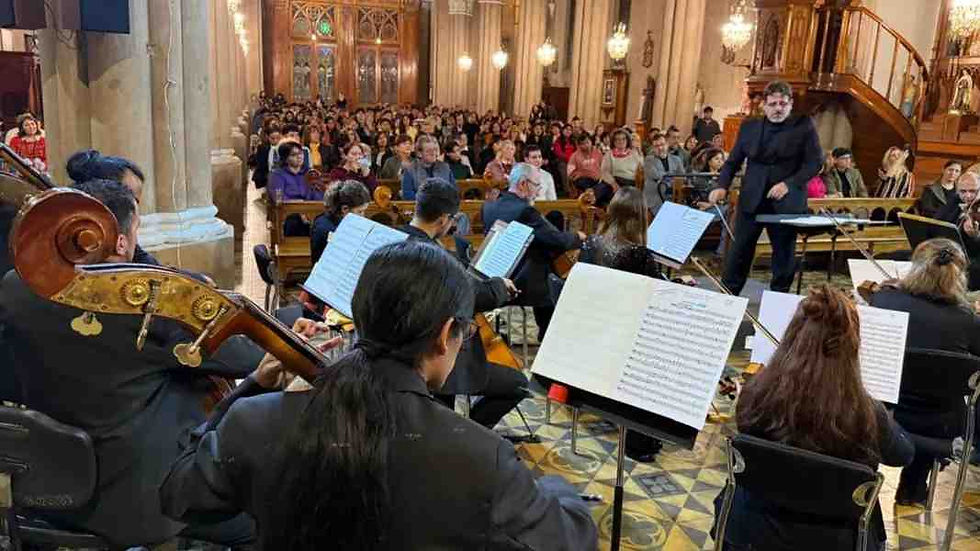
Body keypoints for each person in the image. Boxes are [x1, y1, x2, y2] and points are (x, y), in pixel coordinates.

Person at [160, 240, 598, 549]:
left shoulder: (254, 421)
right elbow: (570, 538)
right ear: (446, 335)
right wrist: (558, 489)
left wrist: (251, 387)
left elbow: (180, 494)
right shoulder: (484, 459)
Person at [1, 179, 261, 548]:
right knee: (261, 517)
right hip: (145, 498)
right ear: (119, 240)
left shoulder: (15, 287)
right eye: (137, 229)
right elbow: (242, 356)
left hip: (50, 485)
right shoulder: (139, 304)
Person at [715, 285, 913, 550]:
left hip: (752, 531)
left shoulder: (756, 393)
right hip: (835, 540)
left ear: (792, 336)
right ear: (851, 347)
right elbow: (903, 455)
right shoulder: (866, 412)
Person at [399, 179, 527, 430]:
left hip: (410, 347)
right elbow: (470, 296)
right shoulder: (432, 254)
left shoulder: (399, 239)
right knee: (517, 383)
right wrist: (500, 287)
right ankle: (468, 433)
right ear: (443, 218)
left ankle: (454, 431)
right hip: (436, 353)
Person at [866, 239, 980, 504]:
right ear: (958, 276)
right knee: (944, 389)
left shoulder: (884, 299)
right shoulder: (966, 320)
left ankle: (865, 482)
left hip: (881, 412)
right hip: (939, 424)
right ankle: (913, 487)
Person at [708, 80, 824, 296]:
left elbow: (815, 162)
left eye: (783, 103)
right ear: (764, 105)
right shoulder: (749, 126)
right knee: (738, 251)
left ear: (790, 104)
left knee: (783, 256)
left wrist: (789, 184)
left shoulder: (803, 125)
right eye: (773, 104)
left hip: (786, 202)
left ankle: (778, 299)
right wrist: (721, 185)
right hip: (752, 198)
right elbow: (732, 161)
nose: (778, 108)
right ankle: (727, 299)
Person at [578, 187, 663, 461]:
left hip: (590, 328)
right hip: (622, 338)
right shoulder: (638, 253)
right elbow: (660, 296)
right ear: (640, 217)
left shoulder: (591, 243)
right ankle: (643, 436)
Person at [481, 163, 585, 340]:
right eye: (536, 185)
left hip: (494, 275)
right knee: (555, 280)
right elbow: (557, 240)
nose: (539, 190)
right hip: (520, 283)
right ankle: (549, 338)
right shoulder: (525, 211)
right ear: (523, 184)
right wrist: (578, 236)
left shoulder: (489, 206)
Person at [935, 171, 980, 289]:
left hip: (973, 257)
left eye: (973, 191)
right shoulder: (955, 200)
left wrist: (975, 237)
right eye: (963, 191)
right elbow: (938, 221)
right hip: (950, 251)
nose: (968, 196)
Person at [310, 180, 371, 265]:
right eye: (360, 211)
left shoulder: (340, 220)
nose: (363, 217)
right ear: (345, 209)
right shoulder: (325, 227)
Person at [643, 133, 685, 217]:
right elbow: (656, 175)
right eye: (656, 146)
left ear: (667, 144)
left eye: (662, 144)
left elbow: (682, 176)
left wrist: (669, 177)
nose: (660, 148)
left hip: (673, 195)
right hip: (655, 196)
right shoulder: (649, 160)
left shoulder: (676, 159)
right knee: (666, 216)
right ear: (653, 148)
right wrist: (673, 177)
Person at [401, 135, 455, 200]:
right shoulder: (410, 170)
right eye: (429, 151)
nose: (433, 153)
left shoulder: (445, 167)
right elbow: (408, 194)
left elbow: (453, 191)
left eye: (435, 150)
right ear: (419, 153)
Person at [567, 134, 610, 205]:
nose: (586, 145)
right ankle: (592, 201)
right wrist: (583, 174)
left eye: (587, 142)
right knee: (586, 184)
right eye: (583, 144)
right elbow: (570, 173)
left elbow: (604, 167)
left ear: (591, 142)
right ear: (579, 145)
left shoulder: (597, 153)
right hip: (583, 179)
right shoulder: (574, 156)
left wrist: (601, 176)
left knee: (606, 186)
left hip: (597, 179)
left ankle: (596, 203)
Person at [249, 124, 280, 190]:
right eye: (272, 138)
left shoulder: (282, 148)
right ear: (268, 137)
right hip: (263, 178)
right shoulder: (262, 148)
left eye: (278, 138)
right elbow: (261, 165)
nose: (275, 141)